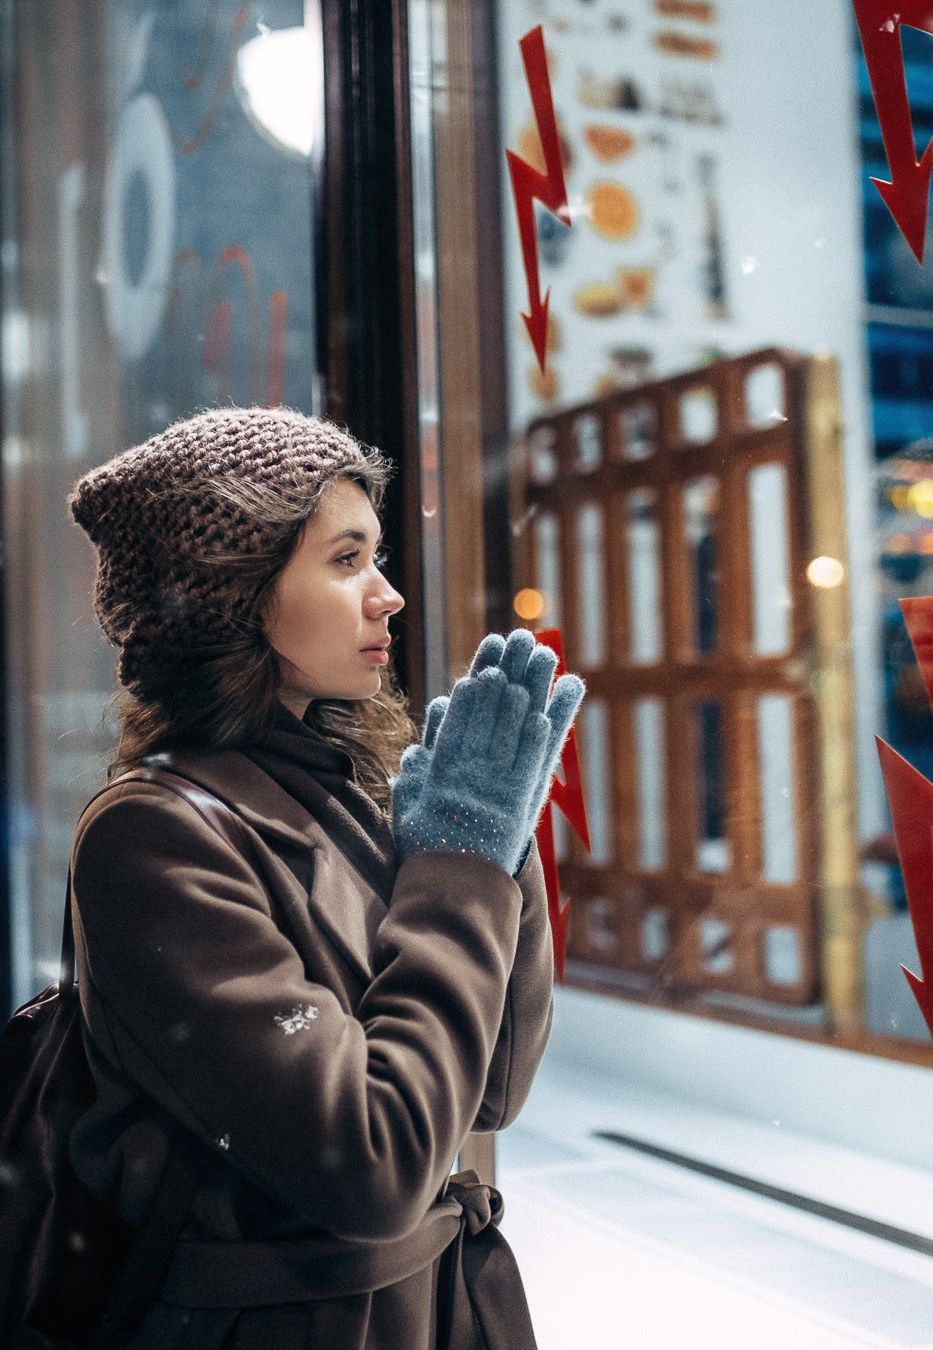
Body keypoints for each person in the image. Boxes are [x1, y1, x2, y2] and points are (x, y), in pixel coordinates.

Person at [64, 406, 582, 1348]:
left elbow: (490, 1088)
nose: (385, 595)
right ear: (233, 595)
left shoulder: (350, 787)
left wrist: (500, 848)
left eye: (375, 559)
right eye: (346, 561)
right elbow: (376, 1165)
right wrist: (460, 867)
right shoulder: (151, 838)